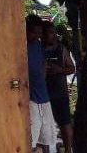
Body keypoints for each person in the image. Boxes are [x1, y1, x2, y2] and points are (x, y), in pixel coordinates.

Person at [43, 21, 75, 153]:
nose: (53, 35)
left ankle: (68, 150)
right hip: (42, 93)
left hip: (59, 93)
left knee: (65, 123)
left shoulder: (61, 49)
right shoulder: (37, 49)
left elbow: (72, 68)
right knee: (44, 126)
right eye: (49, 33)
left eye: (53, 32)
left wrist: (59, 70)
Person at [26, 15, 55, 153]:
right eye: (34, 32)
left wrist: (42, 77)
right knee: (31, 137)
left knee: (47, 137)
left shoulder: (38, 45)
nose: (37, 36)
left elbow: (43, 63)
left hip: (43, 96)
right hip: (31, 98)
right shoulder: (22, 47)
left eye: (39, 33)